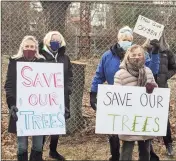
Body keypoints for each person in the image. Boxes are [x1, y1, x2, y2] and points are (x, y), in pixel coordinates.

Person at [90, 26, 160, 161]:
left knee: (144, 144)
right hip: (121, 107)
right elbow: (99, 75)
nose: (126, 40)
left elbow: (152, 71)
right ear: (118, 39)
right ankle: (115, 157)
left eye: (128, 39)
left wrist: (155, 53)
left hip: (141, 110)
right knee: (119, 141)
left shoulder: (142, 56)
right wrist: (94, 92)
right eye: (123, 38)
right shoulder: (107, 56)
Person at [4, 35, 45, 161]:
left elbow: (48, 86)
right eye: (27, 46)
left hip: (39, 108)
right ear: (22, 47)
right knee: (22, 146)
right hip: (20, 108)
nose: (29, 48)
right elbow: (9, 85)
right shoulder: (14, 61)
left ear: (36, 48)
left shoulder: (42, 62)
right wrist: (11, 104)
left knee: (38, 145)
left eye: (32, 46)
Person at [114, 44, 158, 161]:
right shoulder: (121, 74)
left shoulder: (148, 71)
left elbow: (156, 91)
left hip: (145, 117)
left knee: (145, 149)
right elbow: (116, 96)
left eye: (139, 54)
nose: (137, 57)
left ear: (144, 56)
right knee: (127, 148)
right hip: (128, 118)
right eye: (133, 55)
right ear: (128, 56)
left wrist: (152, 88)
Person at [40, 31, 73, 161]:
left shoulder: (65, 58)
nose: (55, 43)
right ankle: (38, 150)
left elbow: (69, 75)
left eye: (58, 41)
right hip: (43, 97)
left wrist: (68, 89)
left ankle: (53, 151)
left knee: (57, 124)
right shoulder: (40, 57)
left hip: (61, 97)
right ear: (47, 41)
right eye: (53, 40)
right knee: (42, 125)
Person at [143, 30, 176, 156]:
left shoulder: (167, 51)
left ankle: (169, 145)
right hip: (146, 89)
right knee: (147, 116)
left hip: (161, 89)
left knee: (163, 117)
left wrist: (165, 76)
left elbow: (174, 66)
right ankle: (148, 146)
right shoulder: (144, 51)